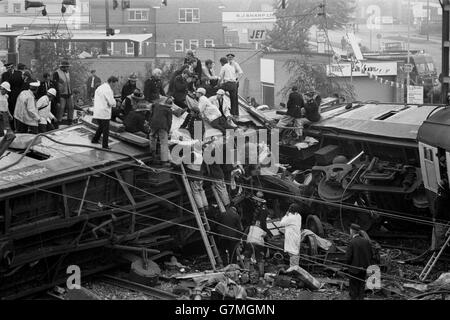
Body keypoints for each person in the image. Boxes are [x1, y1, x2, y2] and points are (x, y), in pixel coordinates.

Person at [346, 223, 373, 300]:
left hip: (354, 270)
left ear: (352, 231)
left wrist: (349, 266)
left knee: (353, 288)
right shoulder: (366, 241)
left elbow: (348, 258)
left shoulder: (352, 242)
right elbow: (371, 255)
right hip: (364, 269)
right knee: (361, 287)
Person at [91, 76, 119, 149]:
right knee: (106, 130)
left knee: (101, 127)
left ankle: (95, 139)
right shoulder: (108, 90)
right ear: (111, 82)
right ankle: (105, 146)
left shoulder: (100, 87)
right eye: (114, 84)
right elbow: (111, 103)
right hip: (104, 112)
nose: (114, 86)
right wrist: (115, 102)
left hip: (97, 111)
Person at [149, 97, 174, 166]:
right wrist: (168, 131)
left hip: (153, 125)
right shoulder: (169, 110)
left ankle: (152, 154)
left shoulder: (156, 106)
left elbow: (151, 115)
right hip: (163, 127)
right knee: (164, 143)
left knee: (152, 138)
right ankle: (164, 161)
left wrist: (150, 123)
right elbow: (169, 122)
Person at [279, 203, 303, 268]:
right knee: (295, 251)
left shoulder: (290, 217)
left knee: (292, 252)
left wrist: (286, 215)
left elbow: (281, 223)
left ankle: (293, 268)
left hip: (291, 236)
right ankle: (295, 267)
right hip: (296, 235)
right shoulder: (298, 216)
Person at [53, 60, 74, 125]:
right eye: (67, 67)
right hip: (61, 94)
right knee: (61, 108)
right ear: (63, 67)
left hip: (69, 93)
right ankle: (59, 121)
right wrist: (57, 94)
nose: (68, 68)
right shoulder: (56, 73)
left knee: (71, 107)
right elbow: (55, 84)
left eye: (68, 67)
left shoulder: (68, 73)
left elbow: (68, 83)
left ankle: (70, 120)